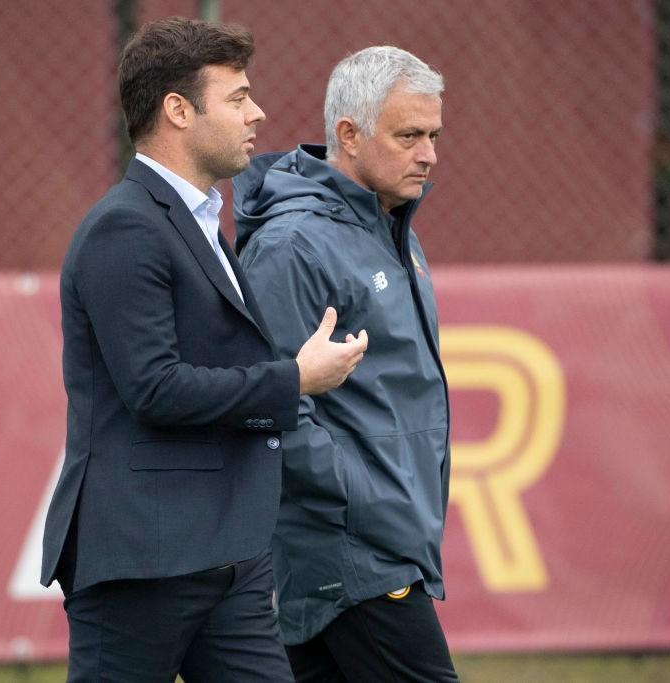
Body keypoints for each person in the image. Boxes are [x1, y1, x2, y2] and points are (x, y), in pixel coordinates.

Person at [40, 18, 367, 682]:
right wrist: (292, 380)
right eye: (239, 97)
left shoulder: (201, 220)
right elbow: (154, 388)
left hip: (228, 554)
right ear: (179, 111)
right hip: (142, 555)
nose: (259, 112)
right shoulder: (123, 228)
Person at [234, 46, 457, 682]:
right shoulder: (292, 244)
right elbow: (270, 405)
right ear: (349, 135)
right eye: (409, 135)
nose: (429, 154)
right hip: (353, 555)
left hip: (376, 545)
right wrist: (370, 504)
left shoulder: (388, 226)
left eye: (433, 135)